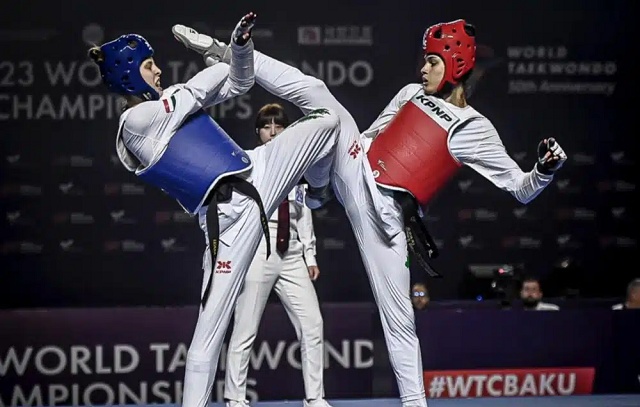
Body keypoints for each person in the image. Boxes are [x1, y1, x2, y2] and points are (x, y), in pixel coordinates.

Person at [172, 18, 567, 407]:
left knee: (400, 322)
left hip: (388, 222)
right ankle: (234, 55)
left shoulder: (473, 127)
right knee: (322, 97)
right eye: (425, 60)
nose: (423, 68)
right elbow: (372, 135)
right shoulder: (412, 92)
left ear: (457, 63)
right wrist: (332, 157)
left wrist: (544, 171)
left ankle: (415, 404)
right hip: (357, 171)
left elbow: (521, 188)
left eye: (432, 61)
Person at [89, 13, 340, 407]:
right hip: (226, 223)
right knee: (209, 333)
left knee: (327, 119)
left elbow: (239, 81)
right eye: (149, 65)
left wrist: (239, 49)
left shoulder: (166, 105)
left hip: (258, 172)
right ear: (127, 76)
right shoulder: (136, 122)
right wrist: (217, 53)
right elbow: (197, 88)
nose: (158, 70)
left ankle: (318, 193)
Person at [223, 103, 331, 407]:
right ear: (258, 132)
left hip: (292, 251)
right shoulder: (250, 163)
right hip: (259, 246)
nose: (273, 132)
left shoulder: (298, 164)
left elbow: (304, 211)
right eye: (267, 126)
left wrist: (310, 256)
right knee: (245, 326)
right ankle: (235, 399)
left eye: (279, 126)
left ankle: (315, 398)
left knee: (313, 323)